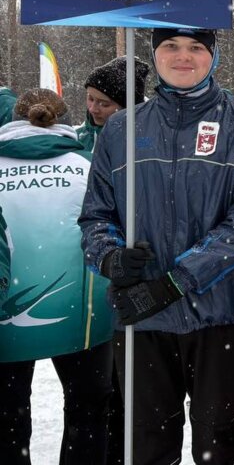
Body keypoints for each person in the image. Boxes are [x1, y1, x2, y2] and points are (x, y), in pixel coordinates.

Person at [79, 28, 234, 465]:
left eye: (196, 48)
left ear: (215, 55)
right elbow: (95, 216)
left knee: (218, 444)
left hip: (222, 315)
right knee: (147, 444)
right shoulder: (121, 129)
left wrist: (176, 281)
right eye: (171, 46)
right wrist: (110, 256)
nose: (183, 57)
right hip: (141, 316)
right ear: (155, 54)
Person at [0, 89, 112, 464]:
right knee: (88, 411)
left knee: (8, 419)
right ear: (65, 122)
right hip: (82, 315)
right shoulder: (88, 163)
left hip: (6, 316)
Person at [77, 56, 151, 152]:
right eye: (90, 99)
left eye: (104, 104)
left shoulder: (145, 143)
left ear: (127, 108)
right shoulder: (75, 138)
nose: (92, 109)